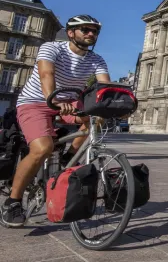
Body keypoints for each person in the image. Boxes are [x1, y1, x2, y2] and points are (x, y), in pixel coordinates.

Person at [1, 15, 110, 228]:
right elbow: (46, 73)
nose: (91, 34)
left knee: (98, 118)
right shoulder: (52, 48)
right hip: (35, 101)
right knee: (43, 148)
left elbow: (105, 86)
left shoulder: (96, 60)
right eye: (85, 30)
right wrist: (54, 100)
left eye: (94, 31)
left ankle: (68, 158)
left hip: (69, 103)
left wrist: (121, 104)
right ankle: (12, 202)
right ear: (71, 33)